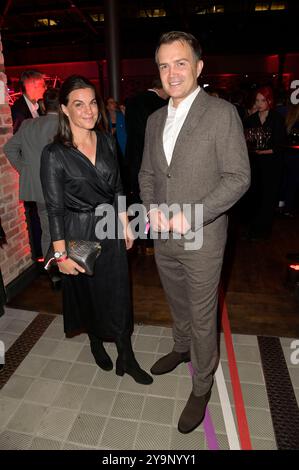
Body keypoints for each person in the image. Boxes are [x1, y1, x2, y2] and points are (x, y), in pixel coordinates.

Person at [139, 31, 250, 433]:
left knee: (204, 316)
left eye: (180, 62)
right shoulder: (153, 119)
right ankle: (181, 348)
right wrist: (151, 210)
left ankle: (202, 383)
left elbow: (239, 177)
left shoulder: (221, 114)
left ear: (199, 67)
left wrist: (193, 215)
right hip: (163, 237)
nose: (172, 72)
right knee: (176, 300)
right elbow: (148, 173)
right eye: (164, 65)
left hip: (203, 236)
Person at [40, 75, 152, 385]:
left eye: (92, 103)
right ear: (65, 109)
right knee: (88, 292)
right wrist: (60, 254)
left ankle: (126, 356)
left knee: (118, 292)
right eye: (79, 104)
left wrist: (125, 223)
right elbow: (54, 208)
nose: (89, 111)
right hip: (77, 230)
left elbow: (117, 186)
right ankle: (94, 341)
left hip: (108, 224)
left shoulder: (105, 139)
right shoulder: (54, 154)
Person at [4, 88, 59, 258]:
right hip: (62, 188)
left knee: (47, 231)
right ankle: (69, 274)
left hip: (39, 190)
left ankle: (53, 273)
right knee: (68, 230)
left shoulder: (28, 124)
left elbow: (9, 148)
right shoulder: (66, 125)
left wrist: (26, 170)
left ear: (44, 106)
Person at [244, 86, 286, 239]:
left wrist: (264, 151)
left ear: (270, 101)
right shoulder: (252, 119)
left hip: (272, 164)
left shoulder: (277, 118)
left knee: (268, 197)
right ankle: (253, 228)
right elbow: (245, 140)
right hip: (255, 163)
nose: (260, 103)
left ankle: (263, 230)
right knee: (254, 196)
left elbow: (280, 145)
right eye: (257, 100)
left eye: (263, 100)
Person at [125, 78, 168, 205]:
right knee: (152, 191)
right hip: (151, 155)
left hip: (133, 152)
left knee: (136, 192)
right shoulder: (161, 104)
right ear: (163, 88)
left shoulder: (131, 100)